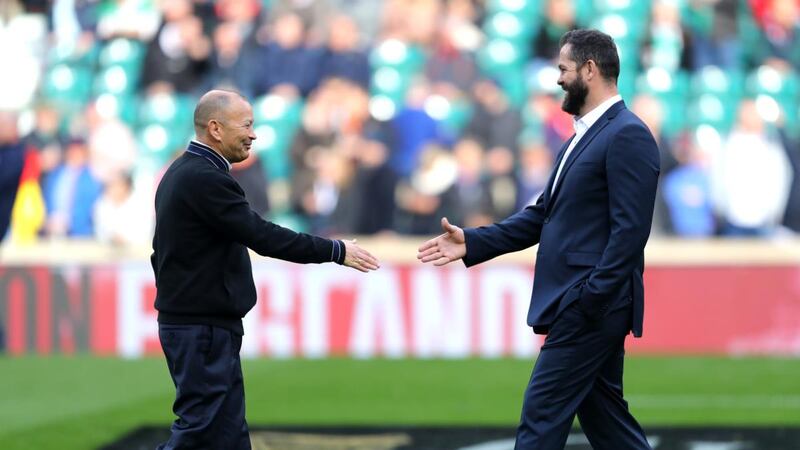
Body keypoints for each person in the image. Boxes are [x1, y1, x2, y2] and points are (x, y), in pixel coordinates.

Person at [418, 29, 659, 449]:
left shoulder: (626, 134)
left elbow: (630, 232)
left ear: (590, 68)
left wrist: (592, 296)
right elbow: (540, 216)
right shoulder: (584, 135)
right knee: (608, 423)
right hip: (585, 302)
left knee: (541, 418)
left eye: (563, 69)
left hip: (589, 306)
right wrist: (472, 242)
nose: (558, 79)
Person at [151, 89, 379, 450]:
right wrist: (334, 250)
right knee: (200, 430)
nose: (253, 134)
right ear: (215, 128)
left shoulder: (184, 172)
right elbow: (263, 235)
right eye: (246, 125)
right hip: (202, 326)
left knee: (228, 435)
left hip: (199, 322)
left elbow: (159, 253)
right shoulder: (205, 179)